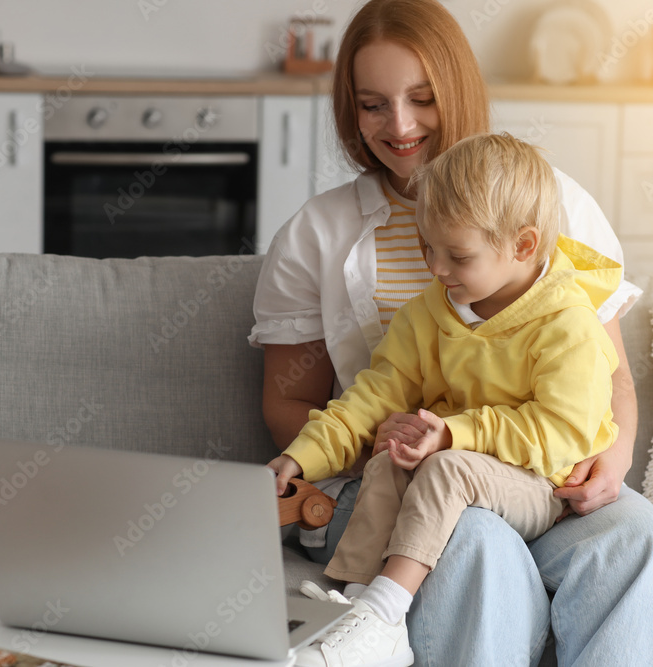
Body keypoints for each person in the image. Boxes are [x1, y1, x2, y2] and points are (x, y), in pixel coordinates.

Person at [250, 1, 653, 664]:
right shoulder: (319, 236)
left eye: (423, 98)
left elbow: (609, 381)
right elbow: (294, 399)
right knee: (476, 541)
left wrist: (613, 459)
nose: (399, 126)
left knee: (643, 540)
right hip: (400, 480)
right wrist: (379, 445)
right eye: (372, 104)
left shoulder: (553, 206)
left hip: (542, 469)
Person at [267, 132, 624, 666]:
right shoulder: (428, 314)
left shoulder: (568, 325)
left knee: (444, 468)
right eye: (426, 247)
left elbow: (562, 433)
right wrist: (301, 456)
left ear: (523, 247)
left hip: (541, 483)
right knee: (390, 458)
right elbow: (371, 397)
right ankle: (358, 610)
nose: (436, 267)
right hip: (465, 469)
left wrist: (456, 433)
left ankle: (386, 612)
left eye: (457, 255)